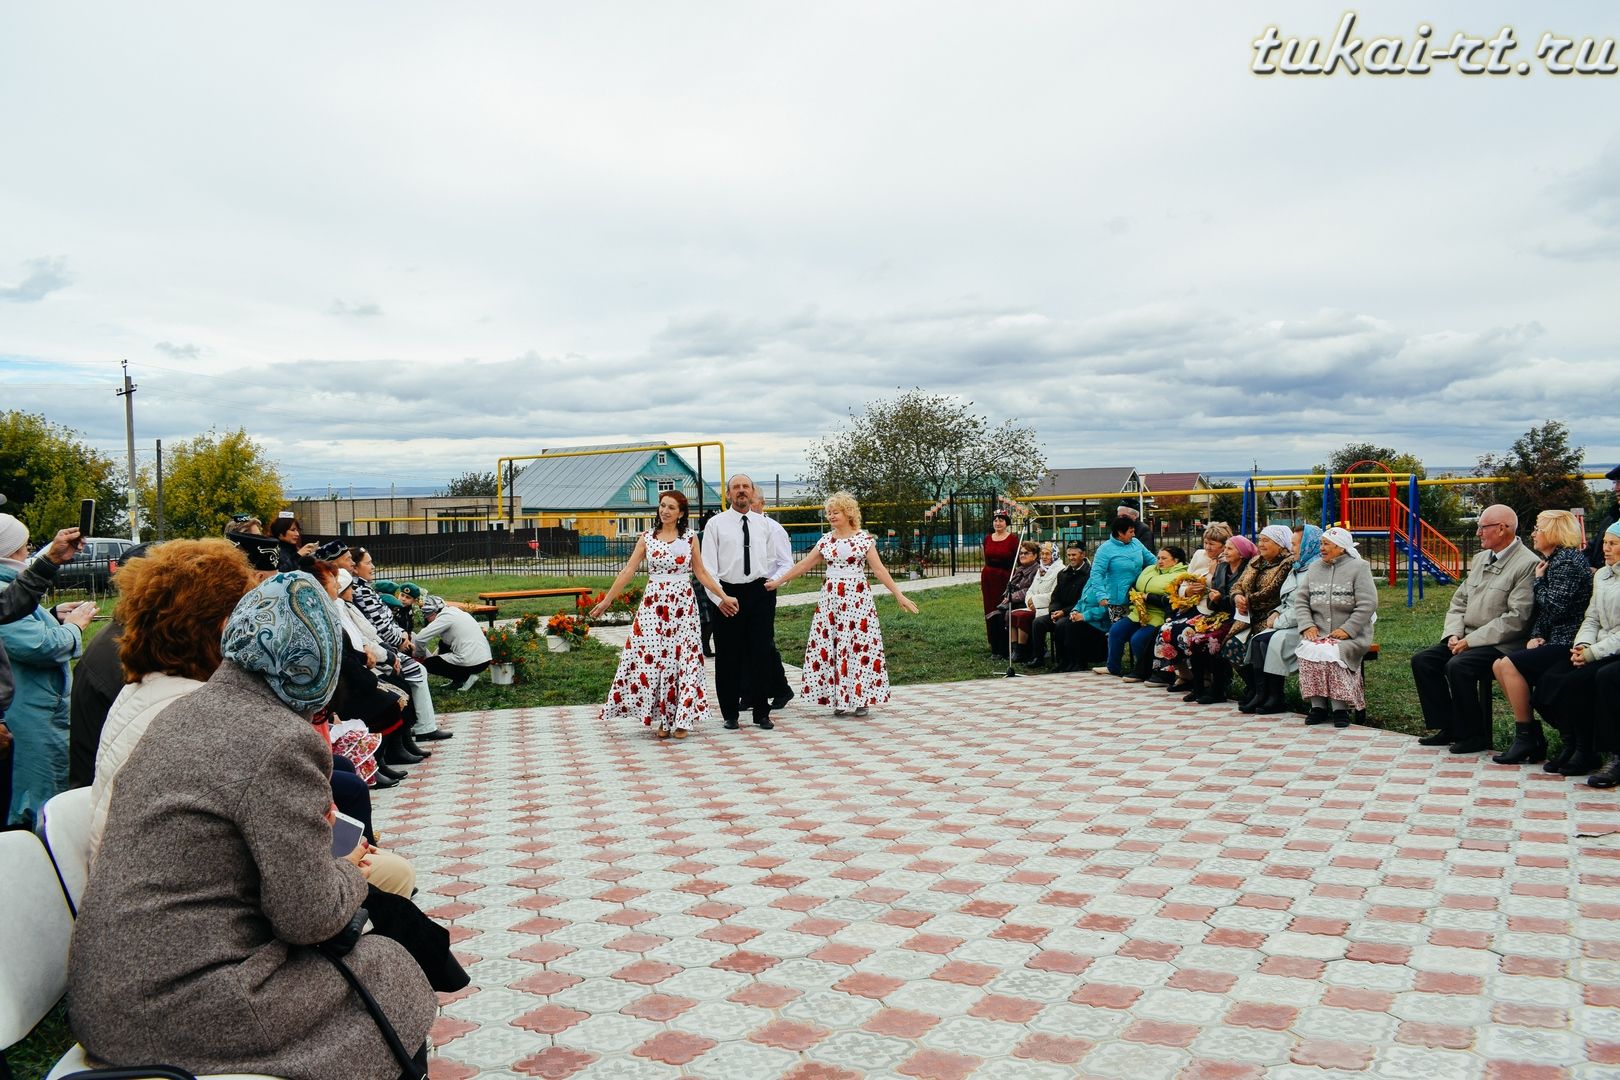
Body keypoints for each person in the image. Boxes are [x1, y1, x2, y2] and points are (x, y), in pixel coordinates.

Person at [69, 572, 442, 1078]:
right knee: (390, 968)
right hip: (181, 1007)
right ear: (316, 665)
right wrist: (350, 868)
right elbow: (308, 917)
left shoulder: (189, 710)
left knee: (380, 953)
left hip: (123, 994)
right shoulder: (279, 738)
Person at [86, 540, 261, 864]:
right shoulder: (195, 709)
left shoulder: (145, 688)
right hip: (162, 896)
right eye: (249, 617)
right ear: (225, 627)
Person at [765, 491, 918, 716]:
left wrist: (899, 595)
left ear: (848, 513)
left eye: (835, 512)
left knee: (859, 645)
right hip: (832, 599)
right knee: (834, 644)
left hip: (857, 599)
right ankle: (839, 698)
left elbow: (879, 569)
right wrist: (779, 581)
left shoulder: (864, 539)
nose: (831, 516)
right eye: (828, 513)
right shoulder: (826, 540)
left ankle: (860, 697)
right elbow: (803, 565)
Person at [595, 490, 727, 738]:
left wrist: (722, 596)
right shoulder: (646, 538)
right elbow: (628, 571)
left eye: (671, 507)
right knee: (654, 659)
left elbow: (701, 573)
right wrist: (606, 602)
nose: (665, 511)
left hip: (682, 605)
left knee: (684, 659)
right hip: (654, 605)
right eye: (662, 506)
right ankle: (663, 718)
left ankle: (683, 718)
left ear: (681, 513)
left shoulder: (689, 538)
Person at [1411, 504, 1538, 754]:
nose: (1478, 533)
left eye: (1483, 527)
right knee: (1424, 661)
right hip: (1465, 637)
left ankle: (1473, 735)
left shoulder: (1527, 564)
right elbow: (1460, 601)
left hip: (1500, 644)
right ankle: (1449, 726)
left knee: (1458, 666)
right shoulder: (1481, 559)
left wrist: (1471, 641)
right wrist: (1454, 634)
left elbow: (1516, 618)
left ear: (1502, 529)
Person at [0, 514, 97, 827]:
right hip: (27, 713)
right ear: (10, 549)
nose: (28, 552)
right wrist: (72, 628)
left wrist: (52, 616)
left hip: (32, 708)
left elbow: (11, 609)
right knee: (35, 798)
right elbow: (36, 645)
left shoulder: (8, 582)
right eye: (24, 546)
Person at [1492, 510, 1594, 765]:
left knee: (1509, 664)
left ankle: (1531, 737)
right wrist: (1537, 634)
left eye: (1539, 528)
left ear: (1554, 532)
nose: (1534, 534)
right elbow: (1546, 614)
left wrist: (1538, 583)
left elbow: (1556, 607)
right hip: (1553, 638)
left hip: (1569, 641)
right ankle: (1530, 735)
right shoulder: (1554, 560)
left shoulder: (1567, 562)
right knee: (1498, 665)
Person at [1532, 522, 1620, 779]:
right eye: (1604, 542)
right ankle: (1577, 745)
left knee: (1604, 679)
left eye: (1613, 544)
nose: (1605, 548)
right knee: (1554, 678)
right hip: (1600, 647)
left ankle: (1613, 754)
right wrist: (1582, 645)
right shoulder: (1602, 575)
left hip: (1610, 651)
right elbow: (1591, 618)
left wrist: (1593, 653)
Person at [700, 475, 788, 731]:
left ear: (752, 493)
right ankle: (730, 713)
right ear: (728, 494)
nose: (741, 491)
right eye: (736, 487)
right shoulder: (716, 525)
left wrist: (772, 584)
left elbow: (775, 560)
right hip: (727, 593)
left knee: (761, 652)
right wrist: (719, 599)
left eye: (745, 487)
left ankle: (762, 712)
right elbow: (708, 567)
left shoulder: (765, 525)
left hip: (759, 593)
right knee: (728, 655)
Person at [1294, 526, 1379, 727]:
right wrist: (1307, 625)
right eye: (1321, 544)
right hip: (1319, 631)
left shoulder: (1359, 567)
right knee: (1309, 650)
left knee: (1332, 653)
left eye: (1326, 544)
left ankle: (1341, 709)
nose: (1321, 548)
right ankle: (1318, 707)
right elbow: (1301, 601)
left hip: (1351, 635)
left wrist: (1348, 629)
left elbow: (1368, 604)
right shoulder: (1314, 568)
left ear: (1341, 547)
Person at [1245, 524, 1322, 714]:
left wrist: (1277, 621)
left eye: (1296, 544)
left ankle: (1275, 697)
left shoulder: (1316, 569)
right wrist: (1277, 612)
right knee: (1258, 641)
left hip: (1307, 625)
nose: (1292, 548)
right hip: (1288, 620)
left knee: (1267, 641)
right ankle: (1264, 694)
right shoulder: (1299, 567)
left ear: (1308, 545)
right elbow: (1287, 600)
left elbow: (1306, 606)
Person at [1155, 524, 1230, 691]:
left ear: (1223, 545)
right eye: (1206, 543)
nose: (1207, 547)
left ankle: (1203, 678)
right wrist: (1187, 591)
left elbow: (1221, 589)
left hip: (1210, 610)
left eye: (1212, 544)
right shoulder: (1199, 555)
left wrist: (1210, 576)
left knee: (1185, 633)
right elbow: (1183, 581)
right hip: (1189, 606)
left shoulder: (1227, 560)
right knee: (1165, 630)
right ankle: (1184, 674)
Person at [1183, 533, 1256, 704]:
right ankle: (1198, 687)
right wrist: (1214, 600)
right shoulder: (1222, 567)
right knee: (1195, 639)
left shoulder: (1248, 570)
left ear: (1241, 552)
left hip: (1239, 617)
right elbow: (1212, 596)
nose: (1226, 551)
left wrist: (1220, 599)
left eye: (1230, 548)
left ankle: (1218, 689)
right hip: (1219, 614)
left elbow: (1243, 600)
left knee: (1213, 641)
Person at [1231, 525, 1297, 714]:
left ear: (1280, 543)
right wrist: (1237, 597)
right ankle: (1257, 690)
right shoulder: (1255, 561)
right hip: (1247, 616)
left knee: (1261, 642)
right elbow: (1238, 584)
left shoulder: (1287, 562)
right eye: (1260, 540)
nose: (1261, 544)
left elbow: (1273, 592)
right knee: (1230, 643)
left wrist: (1248, 601)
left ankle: (1271, 695)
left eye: (1266, 540)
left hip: (1269, 614)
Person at [747, 491, 796, 710]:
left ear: (761, 503)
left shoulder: (774, 530)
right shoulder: (740, 528)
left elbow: (787, 563)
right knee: (744, 643)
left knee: (763, 642)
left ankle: (780, 688)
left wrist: (774, 582)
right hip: (739, 588)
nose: (748, 504)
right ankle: (749, 692)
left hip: (764, 586)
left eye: (752, 501)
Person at [1091, 515, 1157, 676]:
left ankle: (1142, 665)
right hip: (1117, 599)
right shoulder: (1105, 549)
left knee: (1140, 630)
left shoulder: (1136, 543)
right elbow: (1096, 573)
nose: (1133, 535)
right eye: (1130, 532)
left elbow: (1152, 560)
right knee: (1117, 632)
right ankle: (1114, 665)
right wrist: (1101, 595)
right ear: (1120, 533)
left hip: (1139, 596)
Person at [1115, 546, 1189, 681]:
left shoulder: (1180, 576)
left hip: (1159, 616)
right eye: (1158, 558)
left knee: (1138, 639)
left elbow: (1171, 601)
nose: (1159, 561)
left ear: (1176, 560)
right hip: (1139, 612)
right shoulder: (1151, 570)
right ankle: (1113, 668)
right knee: (1116, 630)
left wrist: (1148, 597)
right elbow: (1136, 584)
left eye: (1164, 558)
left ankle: (1148, 671)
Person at [412, 594, 494, 691]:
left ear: (433, 613)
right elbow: (445, 644)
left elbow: (420, 638)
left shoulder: (444, 617)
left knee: (429, 664)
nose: (428, 620)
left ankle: (466, 677)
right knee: (442, 644)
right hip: (485, 660)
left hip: (472, 662)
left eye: (427, 616)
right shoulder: (456, 612)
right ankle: (458, 680)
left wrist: (419, 655)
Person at [988, 541, 1041, 661]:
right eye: (1021, 553)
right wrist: (1007, 594)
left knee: (1010, 613)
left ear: (1035, 555)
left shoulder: (1037, 570)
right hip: (1013, 601)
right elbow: (1010, 586)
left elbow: (1030, 589)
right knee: (995, 615)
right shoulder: (1019, 570)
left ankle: (1020, 650)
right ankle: (1003, 650)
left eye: (1026, 553)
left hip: (1028, 602)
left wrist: (1012, 597)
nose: (1022, 555)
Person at [1046, 543, 1093, 672]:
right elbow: (1055, 597)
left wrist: (1064, 612)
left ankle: (1074, 661)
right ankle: (1050, 659)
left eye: (1074, 555)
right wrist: (1054, 611)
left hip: (1079, 610)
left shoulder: (1089, 573)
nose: (1071, 558)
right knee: (1039, 622)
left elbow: (1083, 600)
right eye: (1069, 555)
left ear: (1083, 555)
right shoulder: (1063, 573)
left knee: (1063, 624)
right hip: (1061, 611)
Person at [981, 511, 1019, 656]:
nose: (998, 523)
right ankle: (994, 645)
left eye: (1001, 520)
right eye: (995, 520)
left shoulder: (1013, 540)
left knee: (1003, 610)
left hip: (1005, 577)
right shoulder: (987, 539)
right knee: (990, 610)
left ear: (1007, 523)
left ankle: (1006, 647)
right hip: (989, 578)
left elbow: (1017, 560)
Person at [1586, 465, 1620, 569]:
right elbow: (1591, 550)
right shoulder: (1610, 519)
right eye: (1615, 482)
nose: (1616, 488)